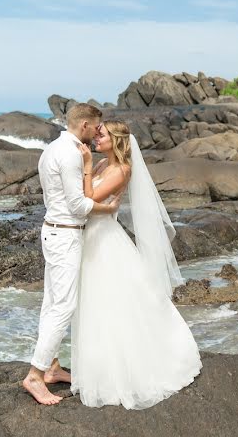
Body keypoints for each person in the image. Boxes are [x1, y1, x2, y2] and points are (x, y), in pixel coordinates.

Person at [70, 120, 202, 408]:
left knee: (115, 304)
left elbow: (89, 198)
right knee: (96, 305)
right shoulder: (106, 165)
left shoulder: (122, 169)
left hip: (105, 240)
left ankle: (132, 370)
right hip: (90, 238)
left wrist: (88, 163)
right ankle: (100, 368)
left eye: (101, 134)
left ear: (115, 140)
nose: (95, 137)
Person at [22, 104, 120, 406]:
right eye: (96, 127)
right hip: (64, 233)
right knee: (63, 305)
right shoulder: (71, 154)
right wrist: (110, 208)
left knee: (52, 301)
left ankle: (51, 367)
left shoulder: (53, 148)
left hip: (53, 229)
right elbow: (78, 206)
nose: (97, 133)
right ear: (86, 125)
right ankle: (35, 375)